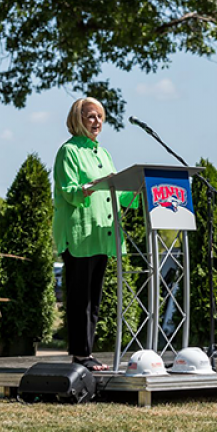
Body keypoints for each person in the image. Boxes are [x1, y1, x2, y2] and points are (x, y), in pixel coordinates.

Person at [53, 97, 138, 372]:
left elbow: (116, 191)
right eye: (91, 116)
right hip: (80, 234)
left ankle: (86, 352)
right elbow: (68, 190)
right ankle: (80, 355)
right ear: (77, 119)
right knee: (80, 299)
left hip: (101, 234)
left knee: (94, 299)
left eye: (100, 117)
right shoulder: (69, 152)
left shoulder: (103, 154)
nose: (97, 122)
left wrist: (137, 191)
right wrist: (89, 187)